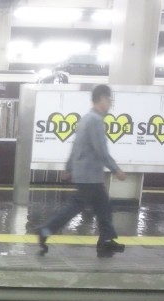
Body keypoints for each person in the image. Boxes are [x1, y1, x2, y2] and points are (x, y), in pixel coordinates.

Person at [36, 84, 127, 256]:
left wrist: (69, 167)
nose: (110, 104)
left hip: (86, 174)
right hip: (90, 176)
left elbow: (75, 147)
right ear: (102, 99)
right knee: (76, 208)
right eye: (109, 100)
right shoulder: (95, 121)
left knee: (103, 207)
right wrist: (116, 170)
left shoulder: (85, 119)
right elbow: (101, 150)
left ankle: (106, 240)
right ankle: (45, 230)